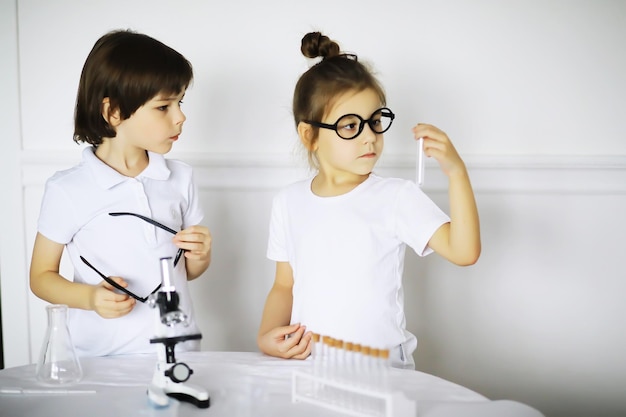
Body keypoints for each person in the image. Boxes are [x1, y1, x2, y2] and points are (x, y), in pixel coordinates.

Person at [257, 32, 481, 369]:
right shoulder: (288, 202)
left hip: (381, 371)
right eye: (350, 126)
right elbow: (283, 285)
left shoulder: (395, 197)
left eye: (375, 122)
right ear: (310, 135)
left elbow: (464, 252)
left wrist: (457, 173)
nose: (370, 137)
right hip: (308, 371)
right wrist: (268, 335)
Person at [29, 29, 212, 357]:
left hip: (179, 350)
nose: (180, 116)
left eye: (180, 102)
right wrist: (90, 299)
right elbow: (41, 277)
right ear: (113, 112)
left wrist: (201, 256)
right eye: (163, 107)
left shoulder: (181, 177)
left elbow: (188, 272)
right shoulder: (67, 189)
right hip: (100, 359)